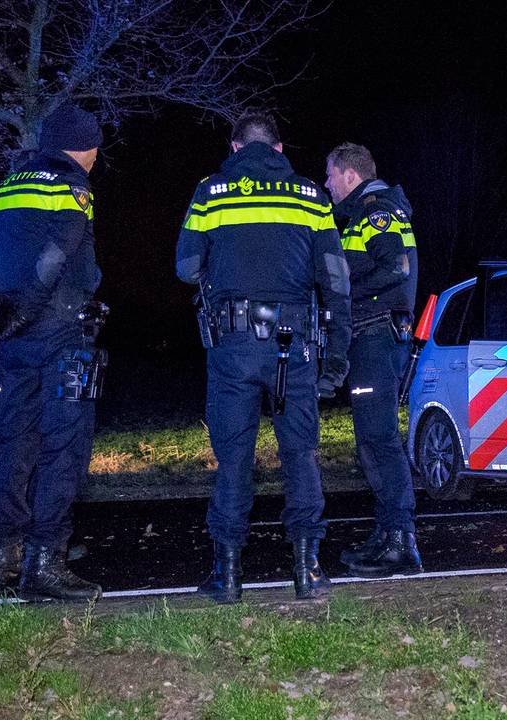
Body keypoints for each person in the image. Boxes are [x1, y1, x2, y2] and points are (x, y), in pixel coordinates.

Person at [177, 110, 352, 602]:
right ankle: (307, 571)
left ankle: (227, 575)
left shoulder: (210, 192)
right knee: (301, 455)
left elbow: (187, 267)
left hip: (232, 347)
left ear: (235, 148)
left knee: (234, 457)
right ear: (279, 149)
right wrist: (335, 360)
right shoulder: (311, 196)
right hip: (294, 348)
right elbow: (336, 283)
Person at [0, 104, 105, 601]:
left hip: (10, 339)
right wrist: (28, 307)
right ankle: (45, 565)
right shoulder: (73, 188)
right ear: (87, 149)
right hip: (62, 337)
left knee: (10, 445)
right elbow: (58, 254)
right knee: (64, 448)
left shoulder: (1, 188)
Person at [323, 143, 423, 577]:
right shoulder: (362, 215)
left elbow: (396, 268)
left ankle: (401, 542)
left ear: (348, 175)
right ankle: (387, 535)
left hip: (379, 336)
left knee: (380, 439)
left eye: (329, 175)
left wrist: (343, 292)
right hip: (371, 337)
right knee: (370, 439)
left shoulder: (378, 211)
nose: (326, 184)